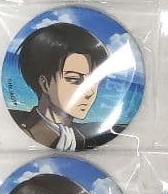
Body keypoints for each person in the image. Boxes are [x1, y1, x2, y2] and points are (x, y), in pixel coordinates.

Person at [9, 22, 113, 150]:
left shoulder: (81, 137)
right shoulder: (22, 131)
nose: (90, 92)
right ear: (45, 83)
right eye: (74, 79)